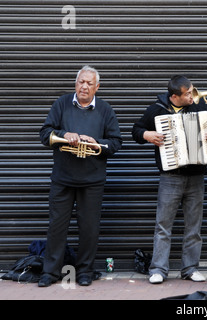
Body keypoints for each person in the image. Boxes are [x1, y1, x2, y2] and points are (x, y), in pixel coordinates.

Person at [132, 75, 207, 284]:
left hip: (196, 176)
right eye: (187, 94)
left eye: (193, 90)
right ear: (174, 96)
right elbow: (136, 131)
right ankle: (158, 269)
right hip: (170, 177)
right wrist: (147, 134)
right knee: (163, 225)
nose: (193, 96)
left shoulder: (202, 106)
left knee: (194, 226)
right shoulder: (156, 109)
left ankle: (190, 268)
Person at [38, 65, 123, 287]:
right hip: (62, 178)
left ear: (97, 87)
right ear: (76, 83)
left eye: (88, 83)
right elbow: (45, 133)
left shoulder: (105, 110)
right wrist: (64, 134)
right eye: (80, 82)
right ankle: (51, 272)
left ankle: (85, 271)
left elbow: (115, 143)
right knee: (56, 226)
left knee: (89, 228)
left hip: (92, 180)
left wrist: (97, 144)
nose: (83, 86)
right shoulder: (62, 103)